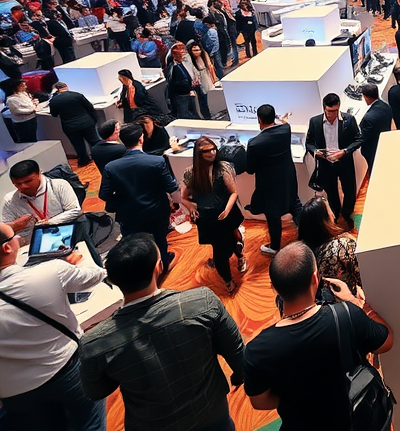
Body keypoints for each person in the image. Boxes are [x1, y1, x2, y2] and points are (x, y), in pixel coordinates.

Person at [79, 233, 244, 431]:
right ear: (159, 267)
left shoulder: (94, 343)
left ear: (113, 280)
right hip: (212, 415)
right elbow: (240, 360)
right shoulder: (203, 303)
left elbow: (97, 391)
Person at [243, 243, 393, 430]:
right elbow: (386, 341)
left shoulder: (257, 350)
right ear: (315, 278)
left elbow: (260, 402)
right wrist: (358, 304)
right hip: (355, 420)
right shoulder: (347, 315)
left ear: (274, 288)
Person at [0, 220, 107, 431]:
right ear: (7, 247)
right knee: (89, 422)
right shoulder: (51, 271)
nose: (20, 238)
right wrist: (74, 263)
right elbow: (97, 274)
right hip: (66, 369)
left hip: (13, 391)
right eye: (15, 236)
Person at [102, 123, 181, 269]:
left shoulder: (111, 167)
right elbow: (171, 187)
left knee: (134, 244)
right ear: (141, 139)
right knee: (160, 240)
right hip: (156, 211)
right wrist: (176, 203)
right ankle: (163, 262)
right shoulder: (157, 161)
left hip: (128, 214)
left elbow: (104, 194)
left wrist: (122, 201)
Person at [180, 136, 247, 293]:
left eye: (213, 149)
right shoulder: (190, 173)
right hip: (207, 217)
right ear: (198, 153)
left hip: (226, 214)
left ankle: (240, 257)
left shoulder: (223, 167)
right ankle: (227, 279)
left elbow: (234, 192)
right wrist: (191, 207)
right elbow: (184, 197)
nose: (212, 153)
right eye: (206, 151)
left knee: (235, 238)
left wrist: (228, 210)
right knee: (218, 249)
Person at [246, 105, 301, 256]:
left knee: (273, 215)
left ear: (259, 119)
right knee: (295, 203)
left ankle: (275, 246)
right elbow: (283, 123)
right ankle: (306, 235)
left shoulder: (254, 143)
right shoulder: (286, 129)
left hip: (269, 185)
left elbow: (250, 169)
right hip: (288, 177)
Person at [305, 94, 361, 231]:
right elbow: (309, 143)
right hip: (326, 164)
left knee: (349, 190)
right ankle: (335, 215)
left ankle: (347, 214)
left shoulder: (348, 120)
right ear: (324, 108)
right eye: (329, 111)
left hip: (344, 162)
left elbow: (359, 139)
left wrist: (345, 151)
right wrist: (315, 152)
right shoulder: (315, 122)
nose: (332, 114)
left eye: (335, 111)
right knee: (331, 192)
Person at [1, 158, 83, 242]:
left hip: (67, 234)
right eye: (18, 183)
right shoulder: (10, 200)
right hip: (34, 242)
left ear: (39, 173)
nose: (23, 186)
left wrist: (50, 222)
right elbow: (4, 231)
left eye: (28, 181)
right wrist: (14, 225)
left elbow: (75, 210)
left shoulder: (59, 185)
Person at [297, 196, 362, 300]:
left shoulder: (302, 254)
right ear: (326, 219)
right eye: (329, 210)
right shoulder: (342, 245)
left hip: (320, 307)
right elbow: (362, 276)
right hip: (347, 302)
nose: (333, 214)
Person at [48, 82, 99, 165]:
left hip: (70, 127)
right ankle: (100, 155)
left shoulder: (54, 100)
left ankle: (83, 160)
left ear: (56, 89)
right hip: (87, 122)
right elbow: (89, 107)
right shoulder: (77, 95)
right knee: (94, 140)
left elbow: (54, 114)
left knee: (78, 144)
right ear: (66, 87)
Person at [358, 82, 393, 174]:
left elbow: (363, 137)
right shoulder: (386, 106)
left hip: (372, 149)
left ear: (365, 97)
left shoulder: (369, 117)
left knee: (374, 171)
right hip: (385, 143)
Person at [4, 78, 39, 142]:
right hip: (22, 123)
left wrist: (34, 103)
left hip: (31, 119)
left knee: (33, 137)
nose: (25, 87)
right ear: (17, 87)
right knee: (26, 139)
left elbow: (30, 104)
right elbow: (17, 111)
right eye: (22, 86)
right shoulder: (11, 99)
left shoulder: (25, 94)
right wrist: (32, 110)